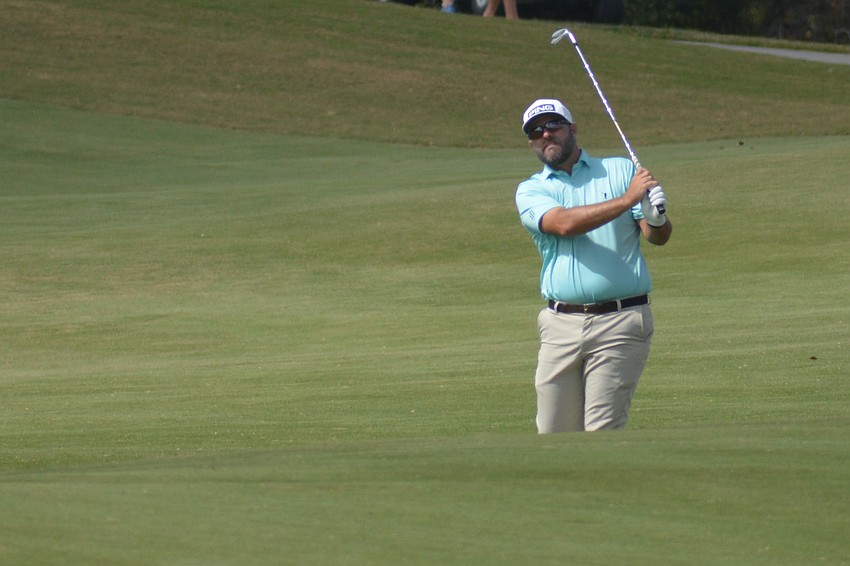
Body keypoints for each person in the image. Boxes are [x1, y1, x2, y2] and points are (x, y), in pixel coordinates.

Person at [514, 98, 672, 433]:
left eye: (552, 126)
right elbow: (563, 224)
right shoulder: (531, 189)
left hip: (620, 321)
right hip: (560, 325)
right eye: (536, 131)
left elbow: (657, 237)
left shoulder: (620, 171)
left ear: (572, 129)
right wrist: (629, 199)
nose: (545, 135)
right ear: (531, 142)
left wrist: (656, 216)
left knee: (601, 433)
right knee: (553, 434)